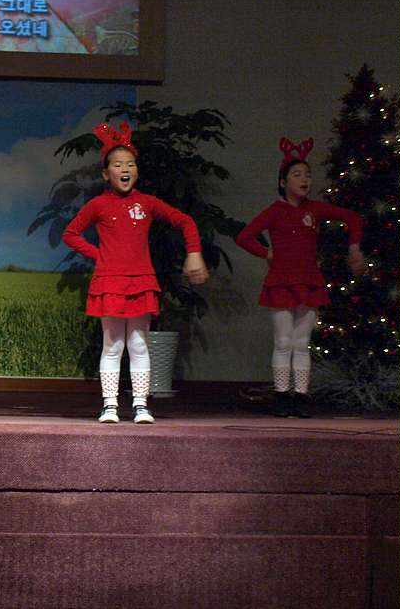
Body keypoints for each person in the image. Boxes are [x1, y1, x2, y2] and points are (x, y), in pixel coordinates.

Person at [63, 122, 208, 424]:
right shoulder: (98, 204)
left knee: (139, 343)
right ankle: (110, 405)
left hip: (141, 281)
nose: (125, 169)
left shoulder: (147, 203)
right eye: (117, 164)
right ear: (106, 174)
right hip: (109, 282)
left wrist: (194, 252)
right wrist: (100, 256)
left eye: (130, 163)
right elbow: (71, 234)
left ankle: (141, 404)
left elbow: (185, 221)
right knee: (112, 344)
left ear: (137, 171)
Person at [235, 137, 366, 418]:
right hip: (281, 282)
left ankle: (302, 397)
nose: (304, 179)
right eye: (297, 174)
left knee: (302, 343)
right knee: (283, 341)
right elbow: (244, 237)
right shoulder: (273, 212)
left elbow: (354, 217)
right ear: (283, 182)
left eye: (307, 174)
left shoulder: (314, 209)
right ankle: (282, 396)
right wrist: (267, 254)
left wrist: (354, 248)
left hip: (308, 281)